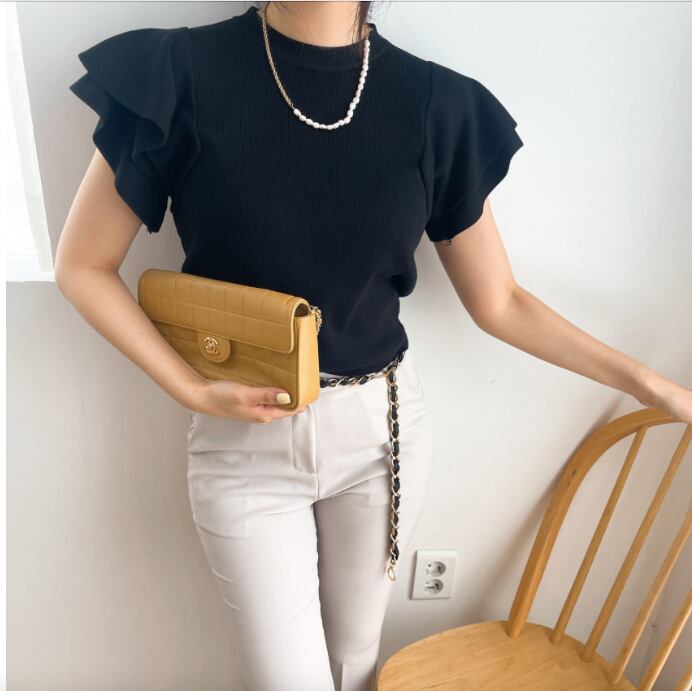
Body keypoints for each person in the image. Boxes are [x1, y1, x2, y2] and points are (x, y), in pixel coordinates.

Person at [56, 2, 692, 690]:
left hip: (381, 439)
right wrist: (189, 387)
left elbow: (500, 302)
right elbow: (83, 266)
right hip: (243, 440)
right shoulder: (175, 74)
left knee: (355, 664)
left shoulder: (436, 105)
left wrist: (648, 383)